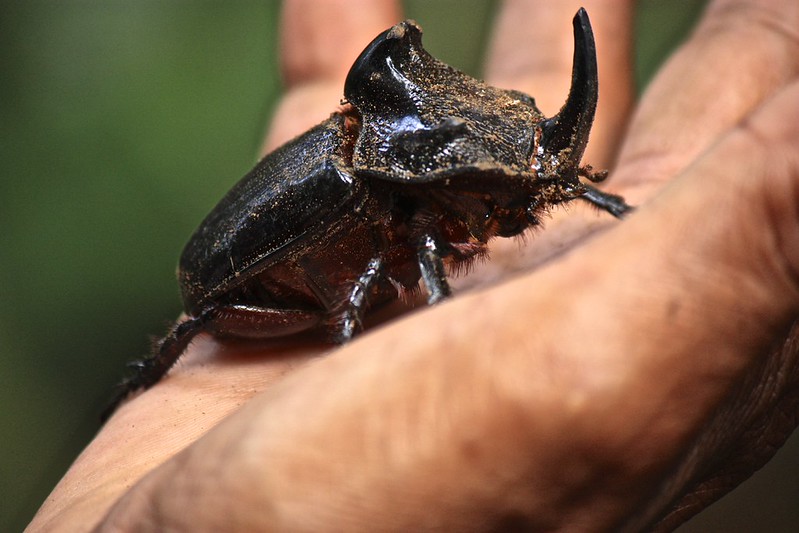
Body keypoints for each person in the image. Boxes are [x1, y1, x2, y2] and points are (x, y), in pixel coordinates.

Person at [29, 0, 799, 530]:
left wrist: (571, 185)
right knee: (208, 315)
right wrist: (440, 326)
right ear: (434, 175)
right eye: (505, 183)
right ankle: (139, 375)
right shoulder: (370, 190)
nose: (518, 200)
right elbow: (380, 272)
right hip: (255, 296)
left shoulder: (408, 182)